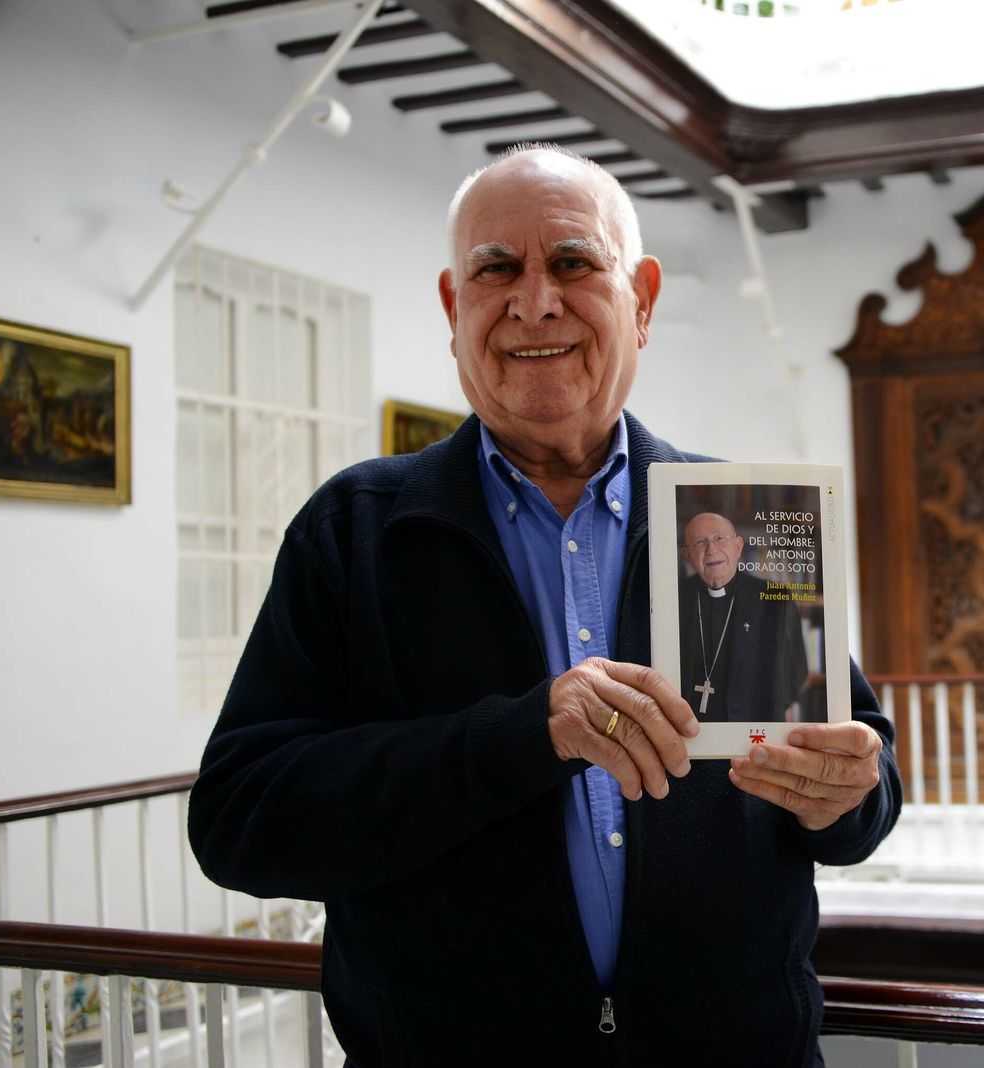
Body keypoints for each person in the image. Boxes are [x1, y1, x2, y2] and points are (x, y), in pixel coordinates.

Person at [186, 145, 901, 1066]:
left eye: (572, 262)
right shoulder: (358, 531)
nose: (534, 301)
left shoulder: (744, 519)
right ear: (455, 308)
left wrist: (847, 792)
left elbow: (862, 792)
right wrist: (523, 737)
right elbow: (242, 820)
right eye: (496, 269)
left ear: (640, 300)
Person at [678, 511, 811, 722]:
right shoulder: (675, 599)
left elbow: (796, 672)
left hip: (753, 732)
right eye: (700, 542)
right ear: (687, 555)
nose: (711, 549)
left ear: (738, 547)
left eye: (719, 538)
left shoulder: (775, 599)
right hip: (690, 733)